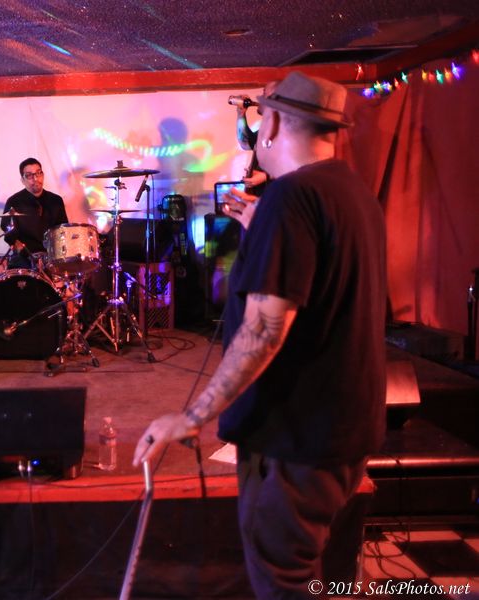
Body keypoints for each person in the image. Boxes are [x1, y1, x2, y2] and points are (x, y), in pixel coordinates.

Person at [134, 72, 387, 599]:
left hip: (298, 437)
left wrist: (191, 416)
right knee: (311, 571)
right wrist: (264, 231)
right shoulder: (348, 189)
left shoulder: (290, 197)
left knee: (283, 580)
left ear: (270, 123)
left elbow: (265, 330)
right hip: (342, 429)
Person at [0, 158, 68, 269]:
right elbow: (9, 235)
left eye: (38, 173)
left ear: (43, 175)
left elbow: (62, 231)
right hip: (24, 260)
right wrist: (23, 251)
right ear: (22, 180)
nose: (35, 179)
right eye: (29, 175)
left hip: (52, 258)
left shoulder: (56, 200)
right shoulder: (14, 202)